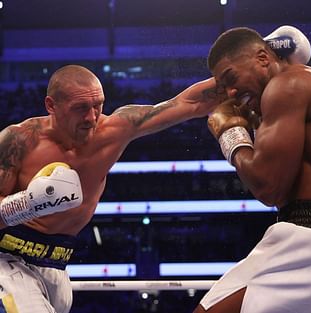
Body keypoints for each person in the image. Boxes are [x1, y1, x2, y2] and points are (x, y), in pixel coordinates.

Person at [0, 64, 222, 313]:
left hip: (57, 264)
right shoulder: (19, 141)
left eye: (98, 106)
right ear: (51, 106)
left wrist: (259, 61)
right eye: (81, 108)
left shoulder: (114, 131)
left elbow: (189, 103)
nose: (92, 118)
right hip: (7, 256)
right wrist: (28, 203)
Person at [193, 26, 311, 313]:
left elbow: (269, 187)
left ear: (262, 58)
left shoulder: (287, 85)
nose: (231, 92)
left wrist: (230, 135)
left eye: (231, 78)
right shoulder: (307, 85)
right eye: (224, 88)